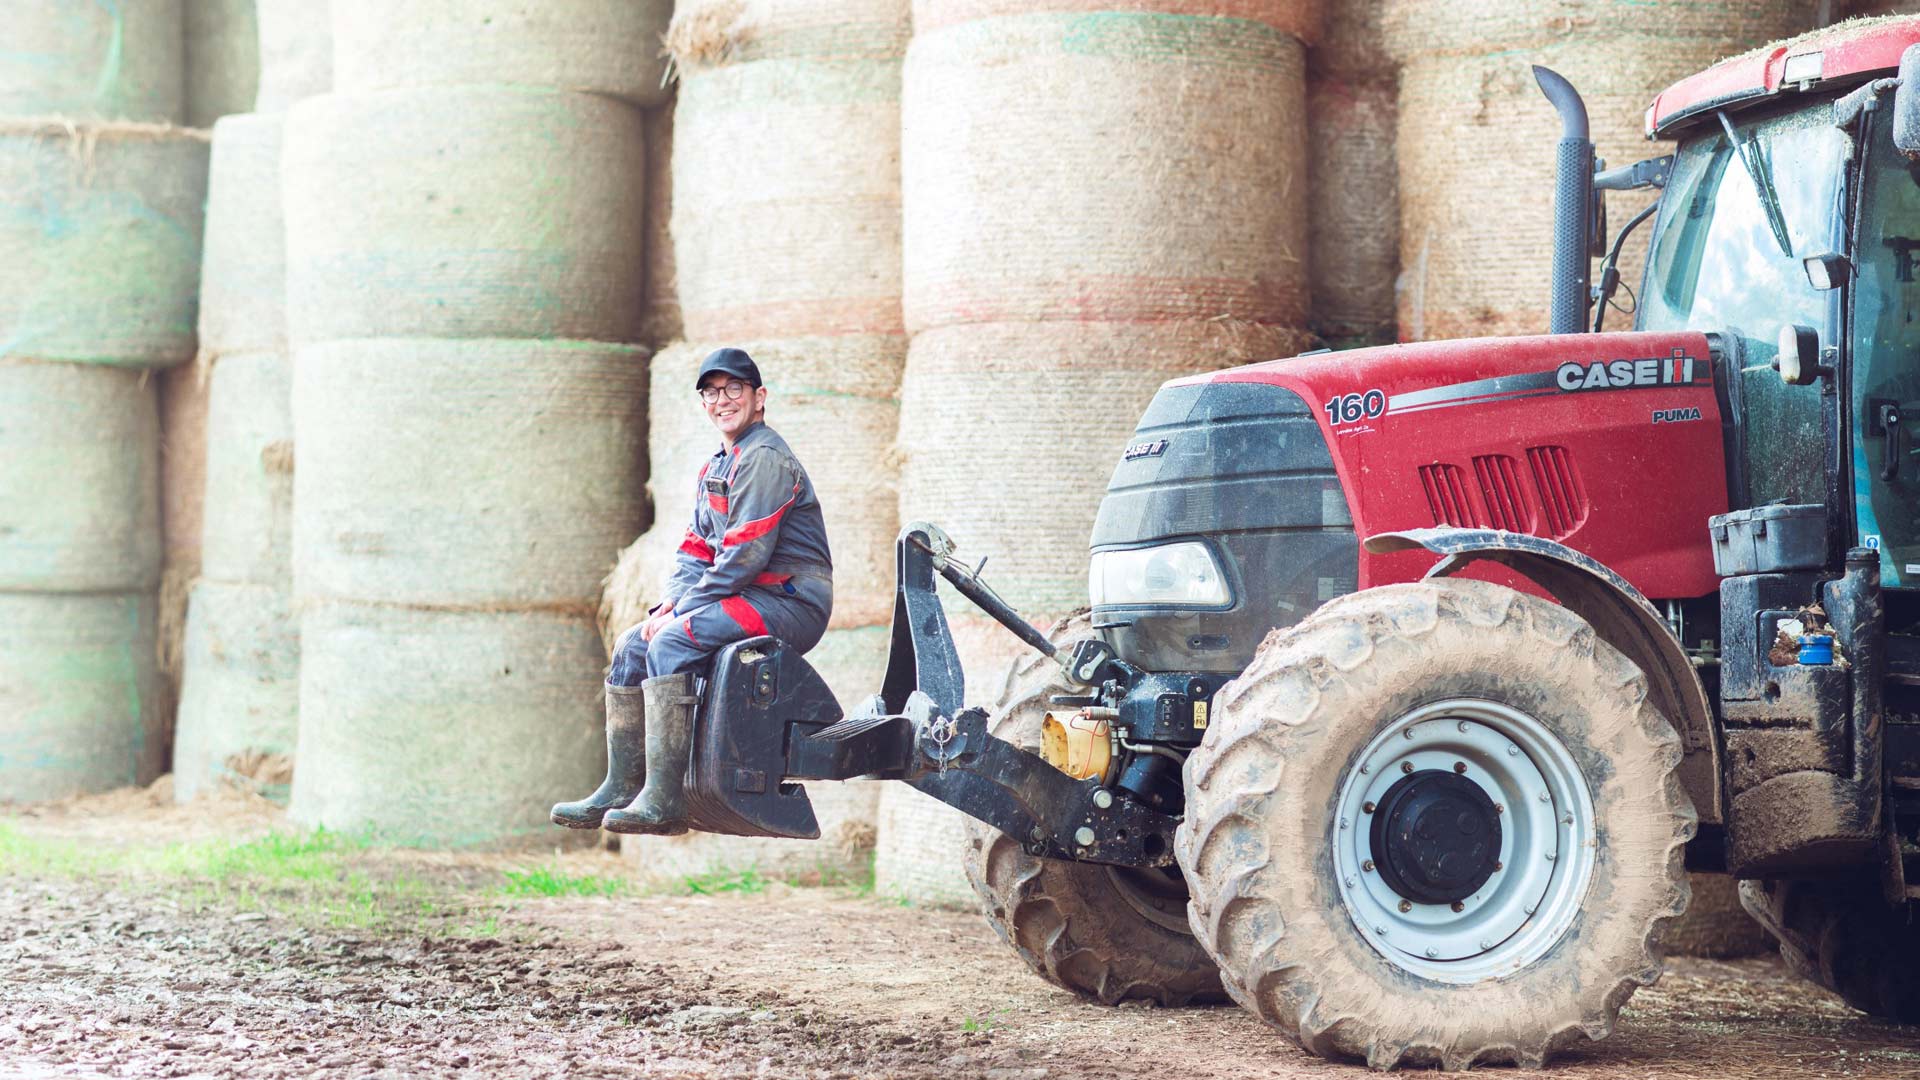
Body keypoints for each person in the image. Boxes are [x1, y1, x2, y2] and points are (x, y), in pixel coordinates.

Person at [551, 347, 834, 835]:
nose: (721, 400)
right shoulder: (718, 466)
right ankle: (622, 785)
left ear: (759, 396)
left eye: (733, 389)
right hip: (748, 597)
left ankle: (665, 799)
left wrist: (680, 613)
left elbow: (745, 556)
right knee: (631, 647)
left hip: (789, 602)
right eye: (710, 391)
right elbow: (694, 550)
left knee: (673, 641)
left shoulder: (765, 458)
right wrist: (667, 606)